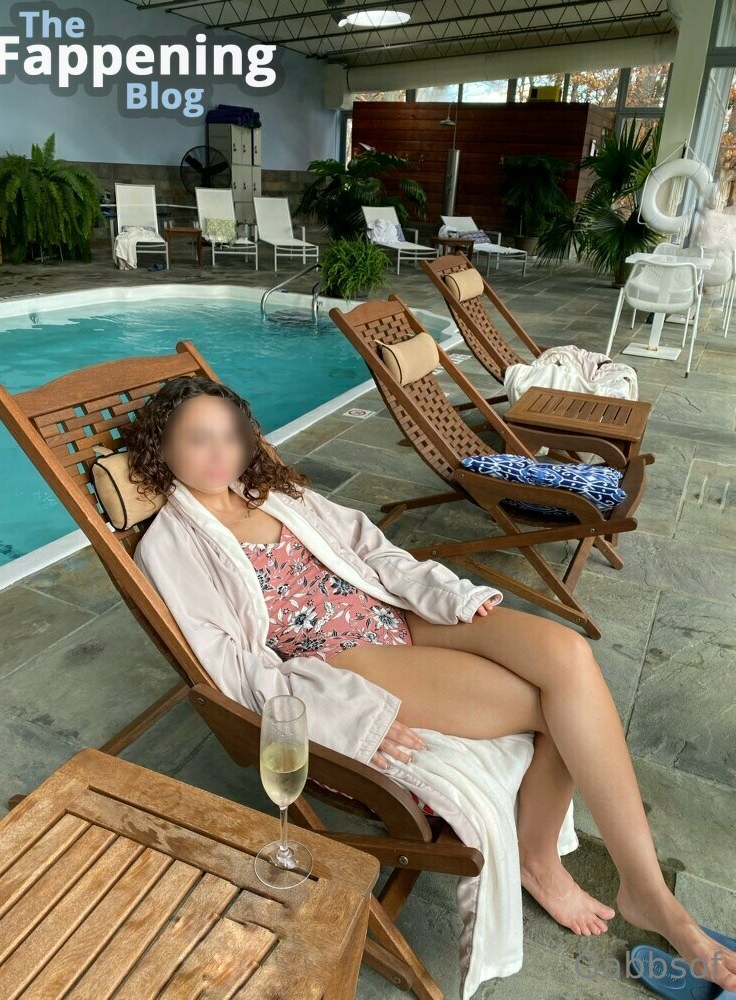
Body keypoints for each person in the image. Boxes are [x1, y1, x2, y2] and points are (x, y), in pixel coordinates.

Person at [124, 374, 736, 993]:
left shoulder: (274, 493)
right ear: (163, 449)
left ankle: (631, 883)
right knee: (553, 708)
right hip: (344, 658)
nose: (220, 452)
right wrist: (338, 713)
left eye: (231, 435)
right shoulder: (172, 545)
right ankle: (591, 876)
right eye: (198, 439)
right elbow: (231, 668)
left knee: (568, 654)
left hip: (393, 610)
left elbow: (372, 549)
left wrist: (446, 594)